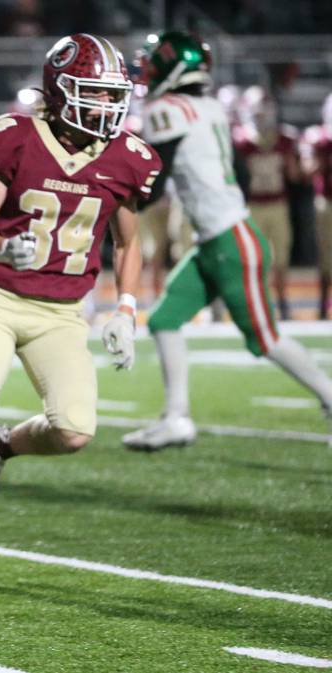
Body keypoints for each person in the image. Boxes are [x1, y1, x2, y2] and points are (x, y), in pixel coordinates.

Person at [0, 33, 160, 582]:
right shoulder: (14, 137)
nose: (108, 107)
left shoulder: (129, 158)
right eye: (95, 94)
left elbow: (128, 243)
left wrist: (127, 309)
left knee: (73, 433)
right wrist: (1, 245)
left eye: (115, 96)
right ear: (59, 91)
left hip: (63, 313)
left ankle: (4, 446)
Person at [122, 31, 332, 451]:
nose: (147, 67)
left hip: (230, 240)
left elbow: (156, 179)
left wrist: (118, 201)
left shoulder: (166, 108)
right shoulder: (210, 105)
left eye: (154, 60)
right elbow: (239, 168)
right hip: (217, 237)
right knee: (164, 320)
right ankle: (176, 418)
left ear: (173, 65)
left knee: (265, 339)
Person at [235, 85, 301, 320]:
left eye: (266, 110)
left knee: (280, 257)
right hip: (252, 206)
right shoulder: (241, 140)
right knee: (255, 259)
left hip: (278, 203)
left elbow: (295, 175)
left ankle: (282, 302)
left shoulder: (284, 139)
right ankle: (256, 303)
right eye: (259, 111)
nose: (263, 115)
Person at [301, 93, 332, 320]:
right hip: (327, 202)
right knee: (326, 256)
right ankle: (323, 304)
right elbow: (307, 172)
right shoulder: (320, 139)